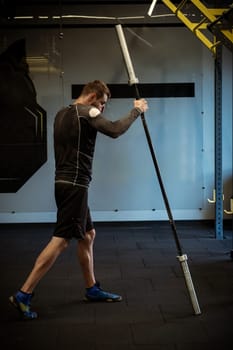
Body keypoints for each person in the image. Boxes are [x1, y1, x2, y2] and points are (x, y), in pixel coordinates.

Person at [9, 80, 148, 320]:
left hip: (63, 184)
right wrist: (136, 110)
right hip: (75, 187)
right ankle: (24, 293)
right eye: (102, 103)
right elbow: (114, 130)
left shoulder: (62, 114)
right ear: (93, 96)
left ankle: (92, 288)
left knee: (88, 234)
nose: (102, 109)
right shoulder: (88, 112)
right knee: (61, 241)